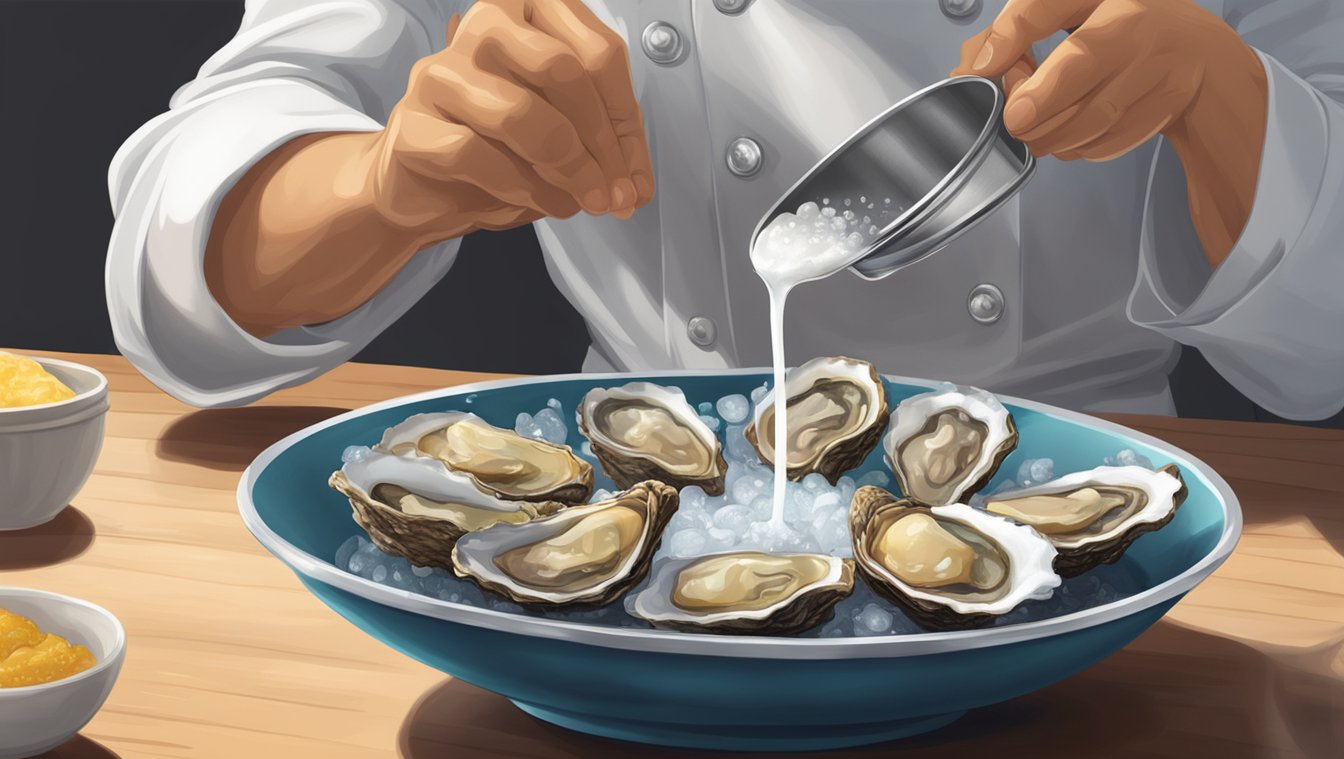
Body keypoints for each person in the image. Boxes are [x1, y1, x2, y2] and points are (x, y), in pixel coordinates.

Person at [106, 0, 1344, 419]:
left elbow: (1327, 352)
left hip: (1108, 554)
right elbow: (186, 281)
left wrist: (1223, 95)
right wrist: (385, 187)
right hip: (643, 531)